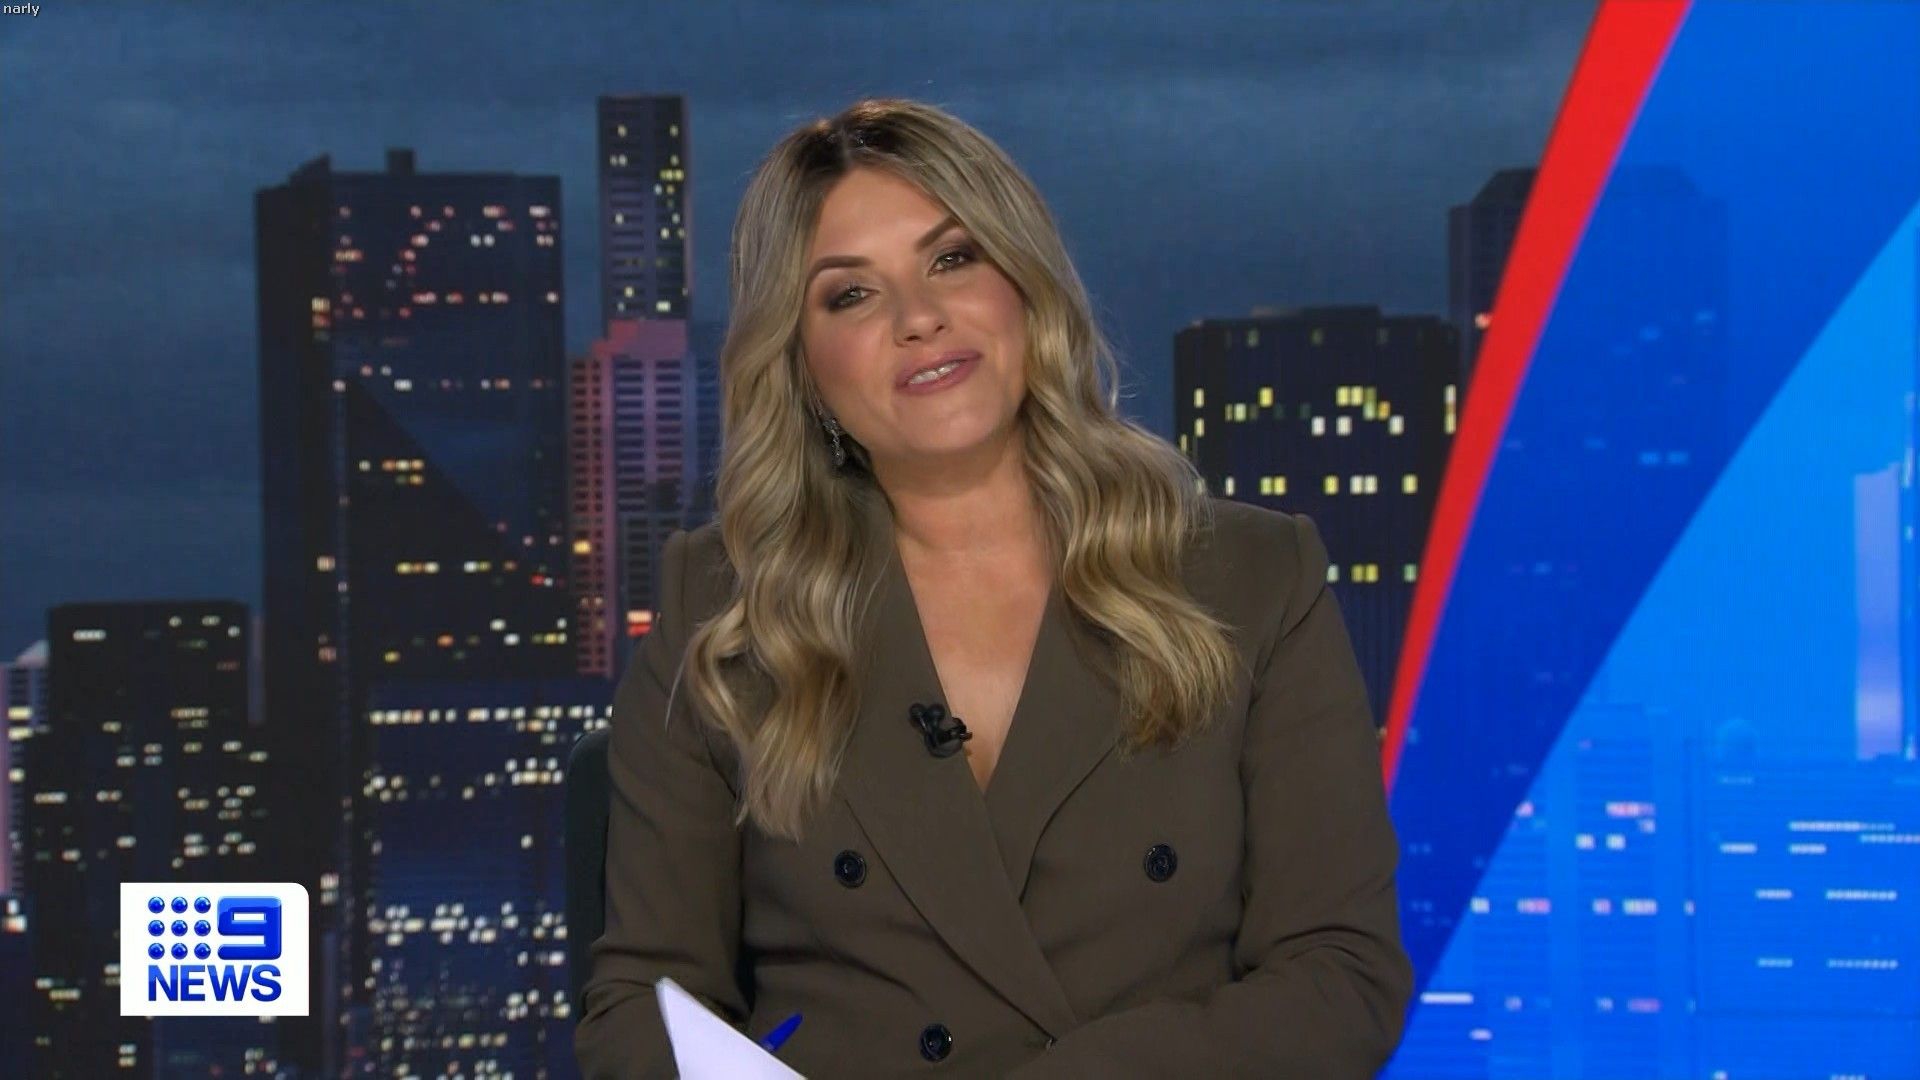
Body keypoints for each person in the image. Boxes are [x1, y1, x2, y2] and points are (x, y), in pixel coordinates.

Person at [574, 97, 1413, 1078]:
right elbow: (644, 1007)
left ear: (1025, 285)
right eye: (852, 295)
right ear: (801, 366)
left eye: (952, 258)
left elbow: (1340, 977)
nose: (918, 318)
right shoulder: (721, 608)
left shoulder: (1251, 577)